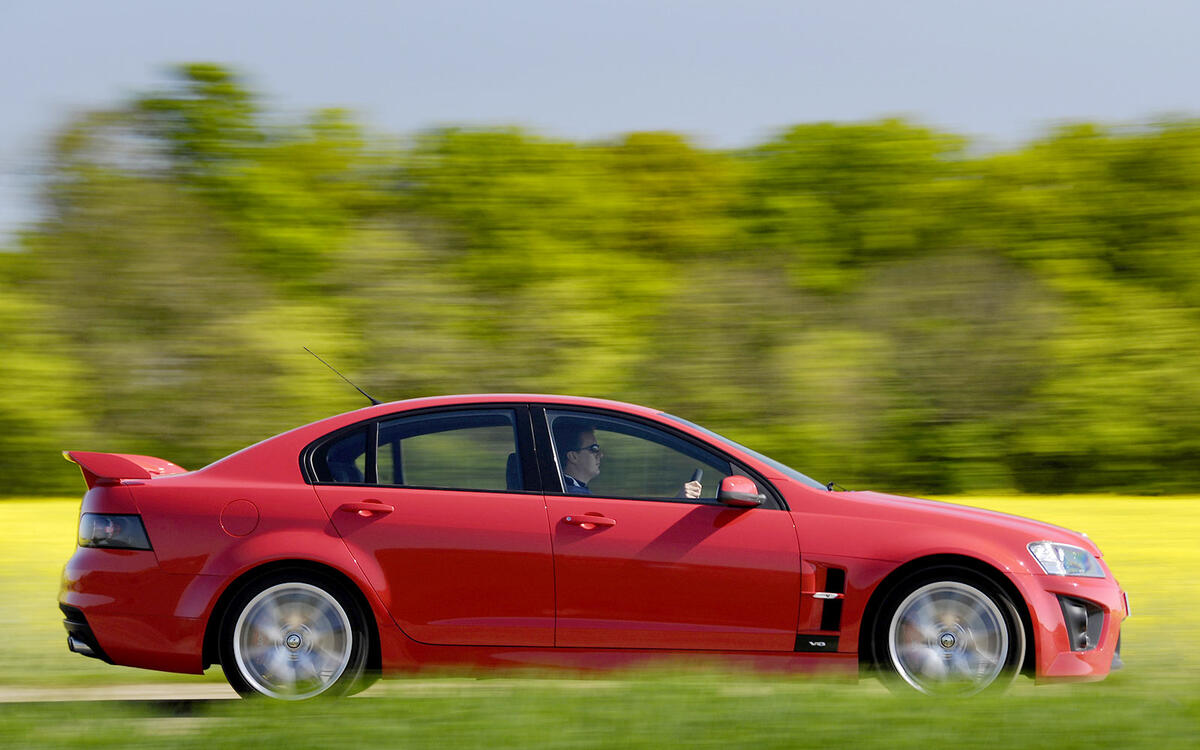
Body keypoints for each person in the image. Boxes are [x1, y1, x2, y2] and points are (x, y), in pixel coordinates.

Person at [552, 418, 702, 499]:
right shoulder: (575, 496)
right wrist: (677, 503)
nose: (601, 454)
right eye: (594, 449)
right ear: (573, 456)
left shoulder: (572, 492)